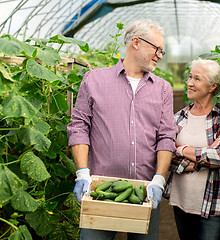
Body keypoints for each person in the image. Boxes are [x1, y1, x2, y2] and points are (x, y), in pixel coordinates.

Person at [67, 19, 177, 240]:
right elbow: (79, 126)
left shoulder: (163, 89)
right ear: (136, 42)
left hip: (144, 192)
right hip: (100, 191)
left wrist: (159, 179)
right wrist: (82, 173)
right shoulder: (94, 79)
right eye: (156, 49)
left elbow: (166, 137)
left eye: (162, 51)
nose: (160, 56)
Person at [163, 58, 220, 240]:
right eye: (189, 77)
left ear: (212, 86)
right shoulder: (177, 118)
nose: (189, 83)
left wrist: (181, 149)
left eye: (197, 79)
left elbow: (219, 156)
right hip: (181, 201)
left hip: (214, 205)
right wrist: (201, 160)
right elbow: (165, 154)